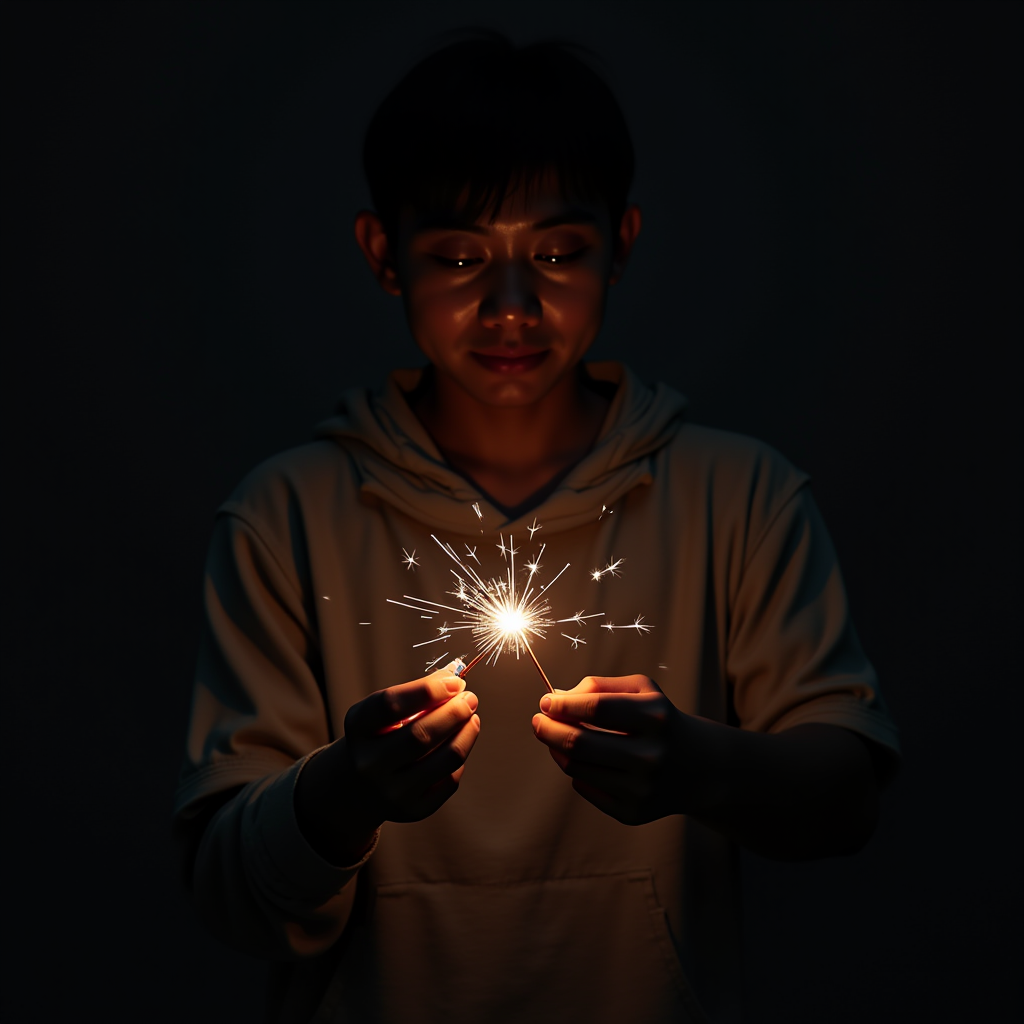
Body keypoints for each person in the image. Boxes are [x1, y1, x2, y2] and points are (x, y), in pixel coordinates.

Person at [174, 30, 900, 1024]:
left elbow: (847, 797)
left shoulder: (740, 496)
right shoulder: (283, 518)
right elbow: (228, 890)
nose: (511, 305)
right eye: (460, 256)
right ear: (384, 255)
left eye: (557, 253)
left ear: (622, 244)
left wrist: (696, 762)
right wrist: (342, 792)